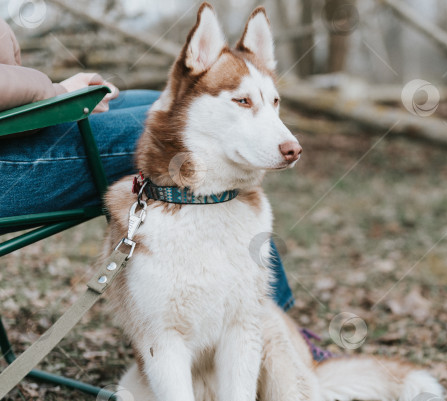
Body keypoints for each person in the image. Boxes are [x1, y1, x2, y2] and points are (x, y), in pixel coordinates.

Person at [0, 19, 294, 311]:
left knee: (160, 101)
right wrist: (56, 93)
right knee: (177, 126)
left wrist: (54, 93)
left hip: (15, 124)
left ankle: (253, 316)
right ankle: (273, 324)